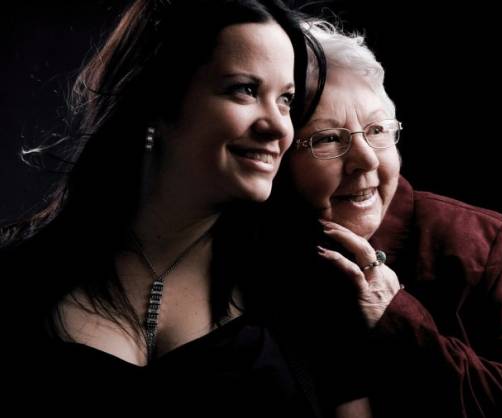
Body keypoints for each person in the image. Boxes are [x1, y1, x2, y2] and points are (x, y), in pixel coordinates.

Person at [0, 1, 358, 415]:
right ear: (160, 101)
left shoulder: (312, 284)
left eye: (286, 100)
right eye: (245, 90)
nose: (278, 126)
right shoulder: (19, 279)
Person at [269, 20, 502, 417]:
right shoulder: (245, 240)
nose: (367, 160)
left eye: (377, 130)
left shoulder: (477, 240)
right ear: (278, 153)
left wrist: (396, 318)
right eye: (328, 139)